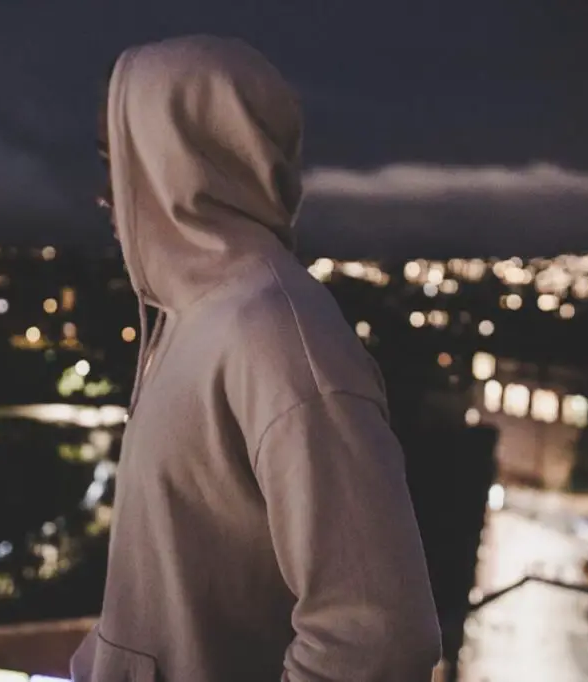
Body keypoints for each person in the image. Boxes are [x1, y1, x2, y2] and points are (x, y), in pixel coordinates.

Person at [71, 35, 441, 682]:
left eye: (118, 159)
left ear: (180, 158)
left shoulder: (277, 336)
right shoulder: (197, 318)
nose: (106, 192)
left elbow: (379, 638)